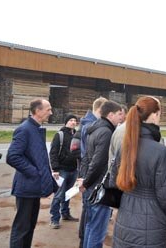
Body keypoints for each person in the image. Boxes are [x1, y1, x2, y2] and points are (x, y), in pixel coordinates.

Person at [110, 96, 166, 247]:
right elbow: (165, 195)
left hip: (125, 215)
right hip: (153, 218)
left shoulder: (125, 146)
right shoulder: (160, 151)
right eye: (160, 114)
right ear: (154, 115)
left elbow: (113, 181)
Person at [6, 98, 58, 248]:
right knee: (22, 228)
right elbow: (13, 156)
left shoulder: (35, 128)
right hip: (26, 187)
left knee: (29, 227)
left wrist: (47, 176)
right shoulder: (25, 129)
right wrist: (35, 173)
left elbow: (38, 159)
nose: (51, 112)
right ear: (38, 111)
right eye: (48, 109)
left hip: (33, 187)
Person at [78, 100, 123, 248]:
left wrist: (84, 179)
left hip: (91, 186)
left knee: (90, 226)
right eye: (118, 114)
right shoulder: (106, 132)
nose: (120, 118)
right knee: (97, 231)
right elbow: (98, 163)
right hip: (100, 190)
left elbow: (86, 158)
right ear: (110, 115)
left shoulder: (95, 129)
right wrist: (86, 182)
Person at [74, 96, 107, 248]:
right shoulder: (91, 125)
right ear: (100, 110)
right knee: (91, 217)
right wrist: (85, 178)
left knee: (88, 214)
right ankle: (84, 241)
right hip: (90, 176)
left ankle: (84, 241)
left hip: (86, 173)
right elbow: (88, 155)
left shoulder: (86, 123)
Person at [49, 114, 80, 229]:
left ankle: (65, 214)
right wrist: (55, 169)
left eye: (74, 120)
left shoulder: (77, 135)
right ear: (66, 122)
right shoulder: (59, 135)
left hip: (73, 170)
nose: (73, 122)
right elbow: (53, 153)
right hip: (61, 170)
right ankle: (54, 219)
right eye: (71, 120)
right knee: (59, 194)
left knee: (68, 194)